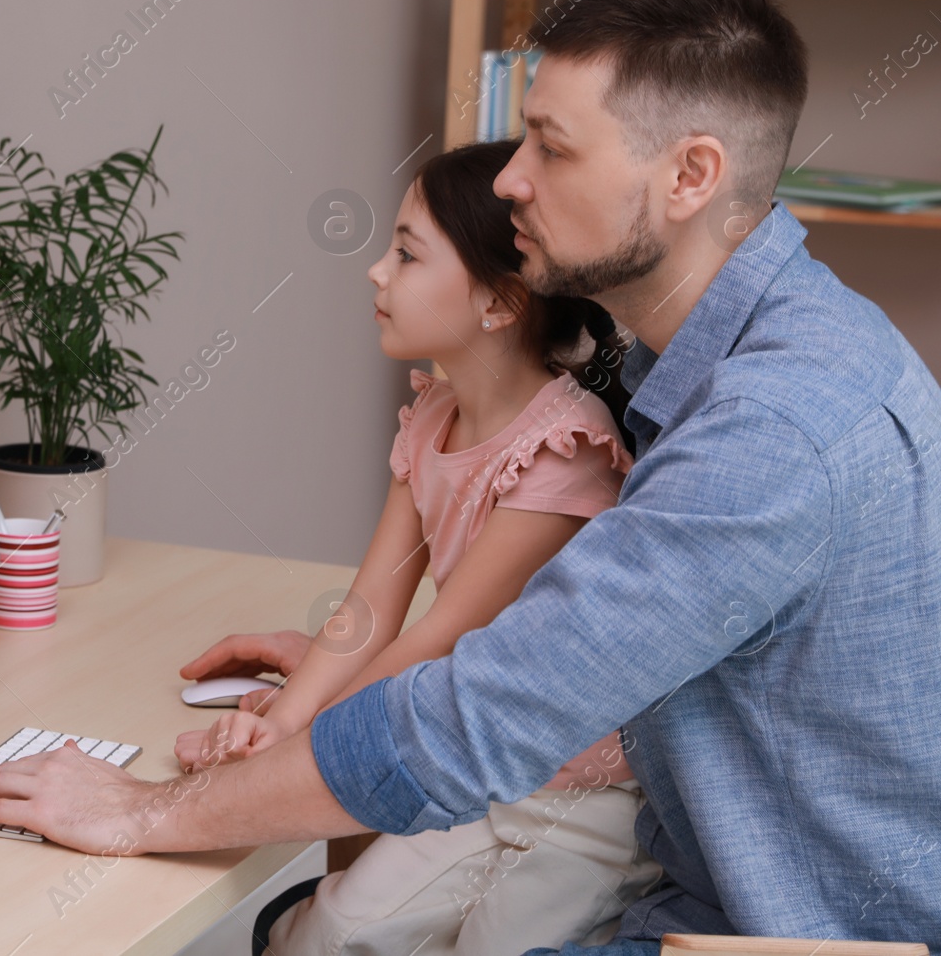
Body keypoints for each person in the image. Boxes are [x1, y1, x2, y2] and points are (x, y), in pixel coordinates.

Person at [0, 0, 941, 953]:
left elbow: (471, 724)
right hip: (711, 887)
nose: (509, 182)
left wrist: (141, 811)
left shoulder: (775, 427)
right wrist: (354, 665)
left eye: (551, 149)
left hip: (780, 929)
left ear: (690, 174)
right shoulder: (755, 351)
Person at [169, 138, 660, 955]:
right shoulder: (432, 417)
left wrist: (297, 751)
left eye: (405, 253)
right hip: (481, 769)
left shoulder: (563, 449)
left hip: (586, 797)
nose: (376, 271)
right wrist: (278, 724)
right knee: (326, 933)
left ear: (499, 304)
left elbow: (443, 637)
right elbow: (366, 612)